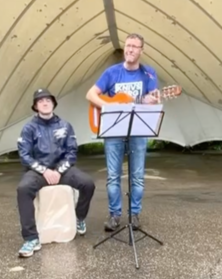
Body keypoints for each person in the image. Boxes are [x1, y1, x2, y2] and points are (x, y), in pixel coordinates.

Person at [85, 33, 159, 232]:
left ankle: (134, 215)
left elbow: (151, 103)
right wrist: (107, 107)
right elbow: (90, 94)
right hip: (114, 130)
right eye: (128, 45)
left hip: (137, 131)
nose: (130, 49)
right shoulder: (112, 72)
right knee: (112, 176)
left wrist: (152, 101)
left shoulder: (149, 74)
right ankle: (115, 215)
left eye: (135, 46)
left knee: (137, 176)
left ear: (141, 51)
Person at [16, 87, 96, 257]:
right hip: (39, 172)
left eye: (48, 100)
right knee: (23, 189)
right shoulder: (29, 128)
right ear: (36, 106)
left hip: (62, 170)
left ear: (53, 103)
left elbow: (72, 153)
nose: (44, 103)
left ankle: (79, 218)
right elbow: (25, 156)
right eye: (40, 101)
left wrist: (59, 171)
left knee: (88, 183)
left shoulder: (65, 126)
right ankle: (31, 238)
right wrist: (44, 171)